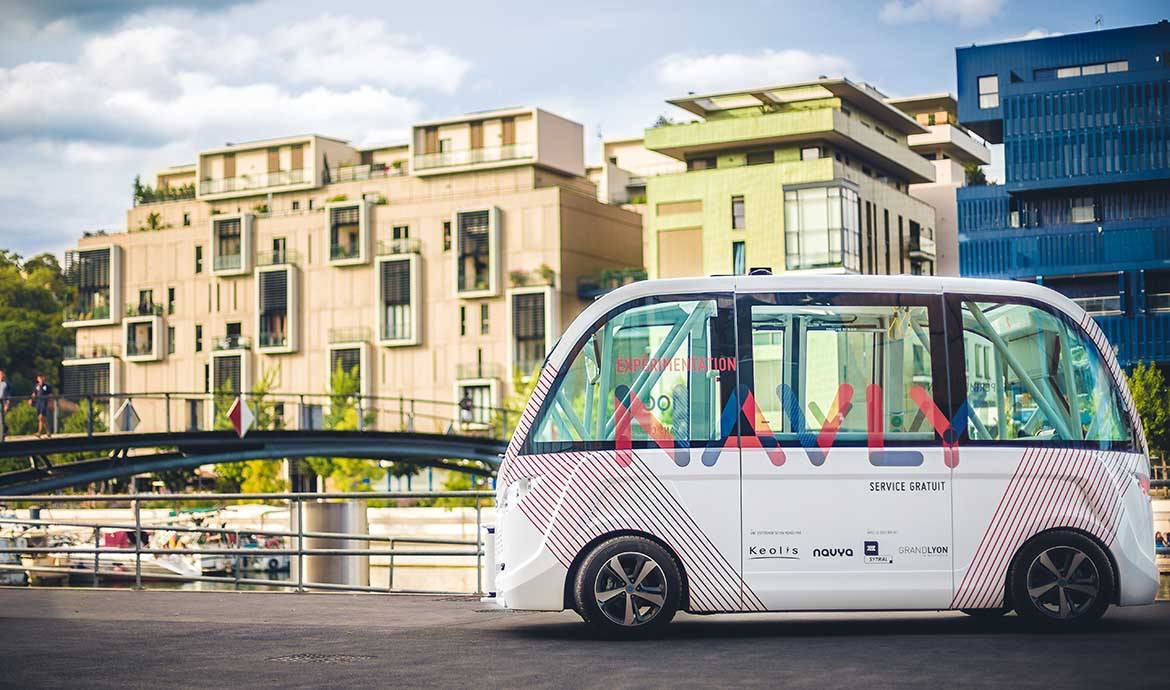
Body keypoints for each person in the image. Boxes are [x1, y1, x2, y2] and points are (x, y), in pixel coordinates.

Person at [29, 374, 52, 439]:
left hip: (44, 403)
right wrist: (31, 399)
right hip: (38, 403)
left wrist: (50, 403)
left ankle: (39, 432)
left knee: (41, 417)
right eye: (39, 379)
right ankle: (48, 432)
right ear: (38, 379)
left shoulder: (47, 386)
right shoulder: (37, 386)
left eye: (42, 378)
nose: (41, 380)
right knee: (42, 419)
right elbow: (34, 393)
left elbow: (50, 395)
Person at [0, 370, 9, 442]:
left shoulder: (6, 384)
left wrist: (7, 404)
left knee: (1, 420)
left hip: (2, 403)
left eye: (2, 375)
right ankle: (5, 429)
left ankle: (3, 435)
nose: (1, 376)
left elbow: (9, 395)